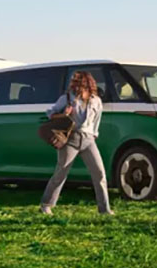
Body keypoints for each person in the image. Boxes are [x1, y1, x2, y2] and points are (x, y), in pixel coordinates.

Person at [40, 71, 113, 215]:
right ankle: (46, 204)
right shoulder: (66, 98)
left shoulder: (96, 100)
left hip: (88, 139)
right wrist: (65, 114)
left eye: (79, 83)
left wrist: (94, 134)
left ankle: (104, 209)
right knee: (61, 172)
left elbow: (97, 119)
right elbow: (50, 113)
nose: (76, 86)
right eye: (75, 83)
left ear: (87, 84)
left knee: (99, 173)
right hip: (70, 139)